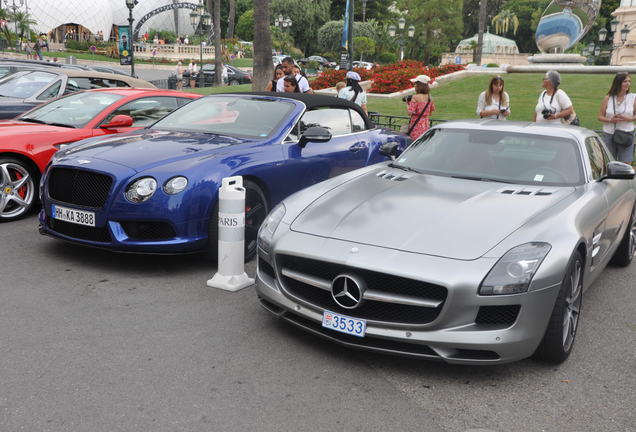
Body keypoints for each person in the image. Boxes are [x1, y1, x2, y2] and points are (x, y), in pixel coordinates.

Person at [598, 72, 636, 164]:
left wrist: (628, 118)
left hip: (626, 134)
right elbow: (600, 116)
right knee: (610, 162)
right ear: (618, 83)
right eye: (625, 81)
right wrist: (611, 120)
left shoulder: (633, 97)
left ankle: (624, 178)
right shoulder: (608, 98)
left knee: (626, 163)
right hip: (609, 133)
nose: (628, 84)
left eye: (629, 81)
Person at [405, 74, 436, 140]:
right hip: (425, 124)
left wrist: (407, 103)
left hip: (416, 125)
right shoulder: (430, 97)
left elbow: (409, 112)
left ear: (419, 86)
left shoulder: (415, 97)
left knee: (414, 143)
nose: (414, 86)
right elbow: (430, 113)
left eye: (416, 84)